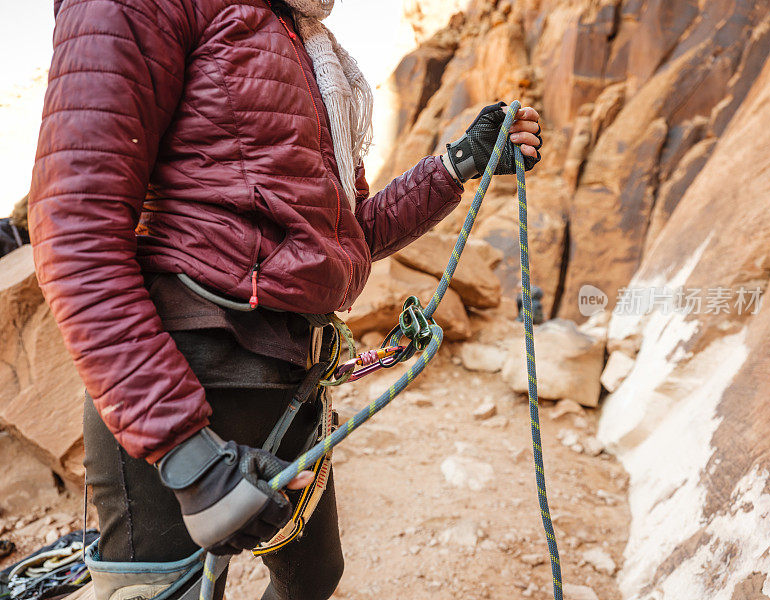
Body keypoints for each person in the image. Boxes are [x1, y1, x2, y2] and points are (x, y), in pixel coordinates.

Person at [27, 1, 543, 598]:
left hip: (292, 381)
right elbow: (75, 230)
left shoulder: (301, 40)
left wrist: (457, 165)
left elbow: (336, 239)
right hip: (187, 380)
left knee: (314, 579)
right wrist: (186, 454)